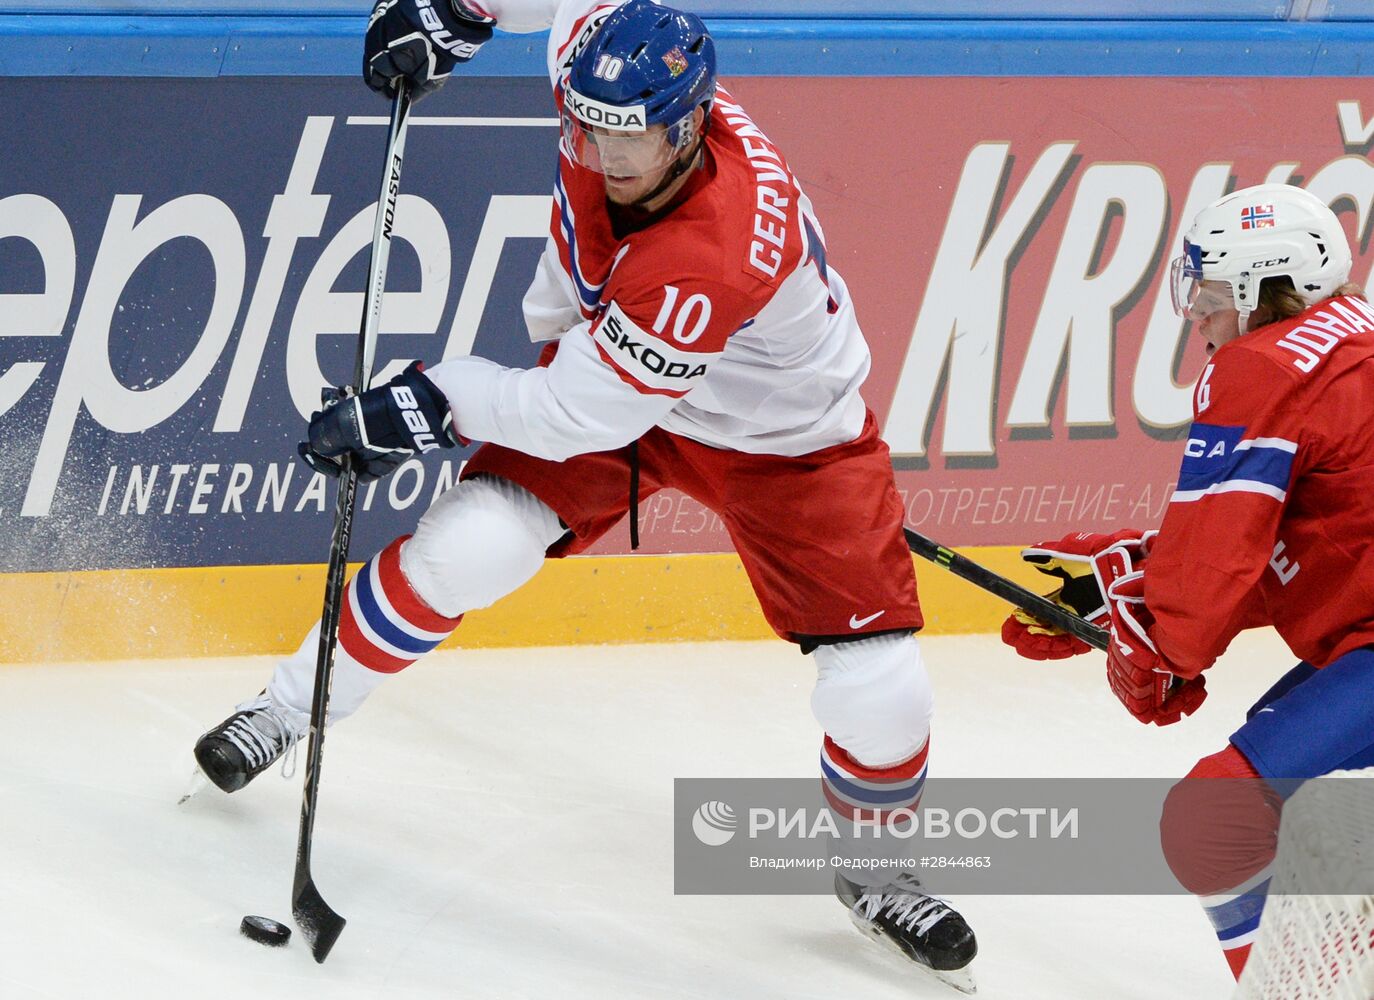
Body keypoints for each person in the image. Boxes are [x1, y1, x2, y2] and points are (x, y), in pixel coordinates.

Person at [193, 0, 978, 984]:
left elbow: (575, 415)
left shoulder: (706, 257)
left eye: (629, 137)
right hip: (625, 382)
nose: (604, 153)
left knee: (880, 681)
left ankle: (876, 869)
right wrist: (458, 13)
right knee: (470, 545)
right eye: (587, 127)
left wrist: (426, 402)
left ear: (688, 127)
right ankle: (284, 708)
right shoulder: (616, 77)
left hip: (787, 443)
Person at [1002, 182, 1374, 980]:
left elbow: (1212, 573)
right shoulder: (1349, 339)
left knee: (1216, 819)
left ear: (1264, 290)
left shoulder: (1263, 365)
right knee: (1295, 778)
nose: (1196, 317)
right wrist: (1130, 584)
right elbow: (1316, 545)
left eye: (1209, 294)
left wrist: (1161, 642)